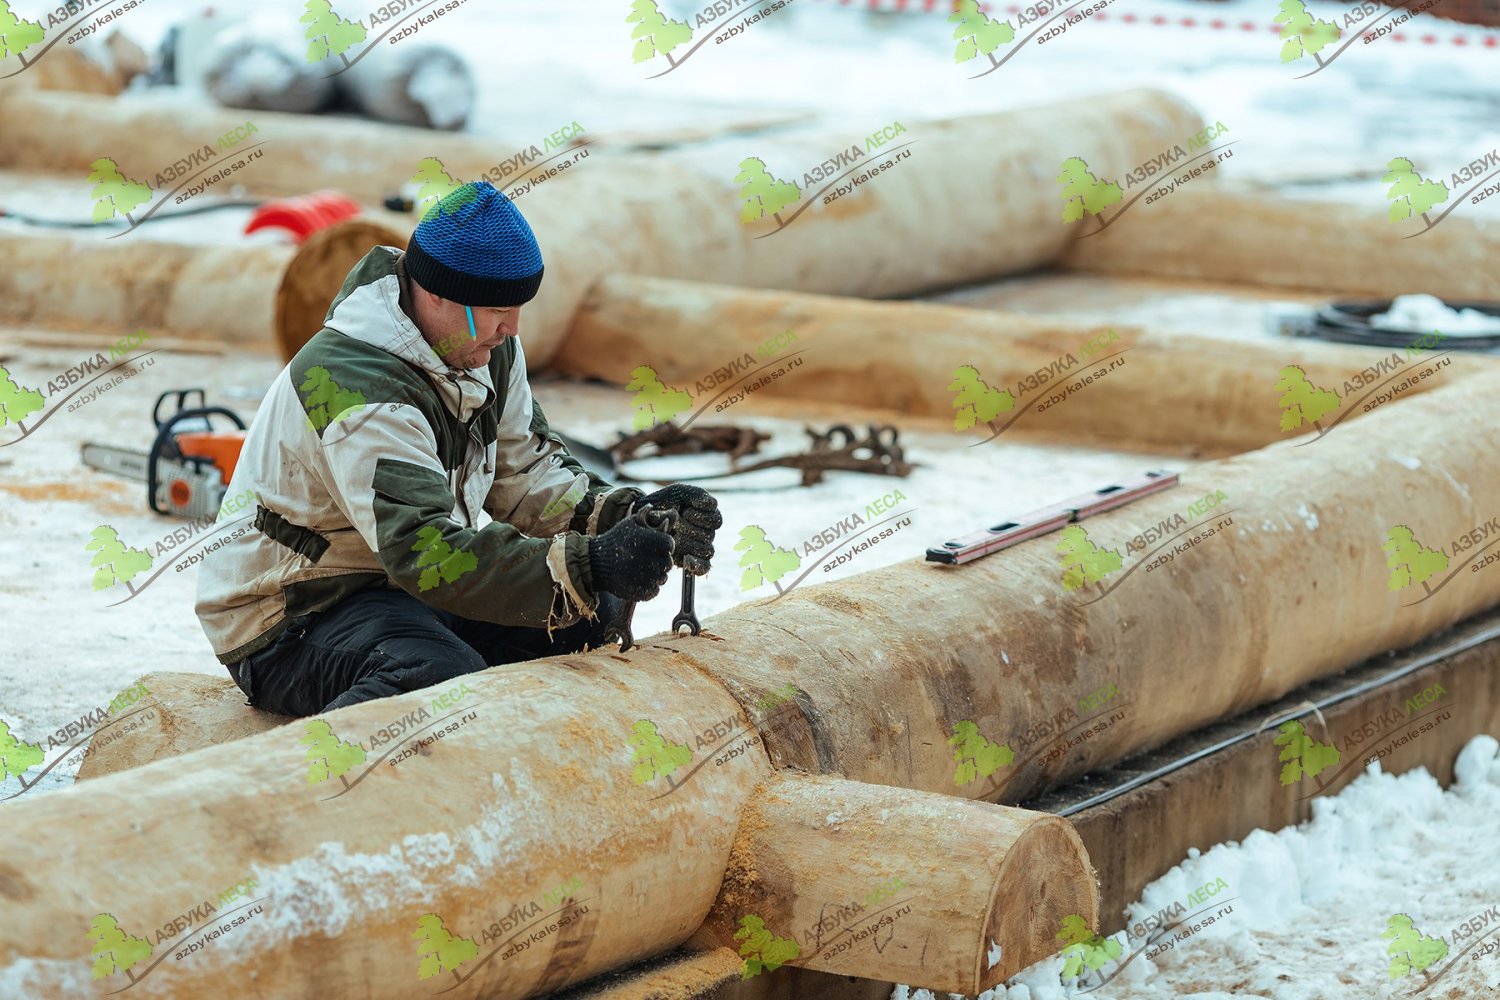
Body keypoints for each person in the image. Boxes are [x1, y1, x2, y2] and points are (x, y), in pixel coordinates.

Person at [195, 180, 721, 715]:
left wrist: (629, 517)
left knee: (583, 614)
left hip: (396, 591)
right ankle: (317, 783)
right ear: (438, 292)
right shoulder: (356, 386)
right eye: (497, 309)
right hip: (296, 612)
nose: (512, 328)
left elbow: (528, 477)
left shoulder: (487, 347)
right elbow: (424, 550)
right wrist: (590, 565)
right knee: (435, 680)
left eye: (519, 307)